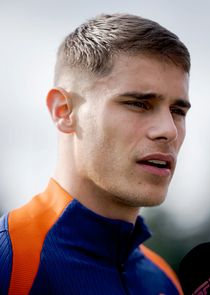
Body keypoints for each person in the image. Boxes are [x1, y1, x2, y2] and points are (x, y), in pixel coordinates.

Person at [0, 13, 191, 295]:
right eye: (139, 104)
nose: (168, 130)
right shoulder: (10, 263)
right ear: (63, 111)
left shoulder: (165, 282)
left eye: (178, 111)